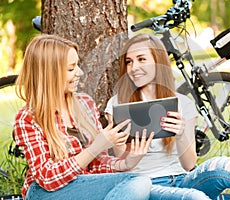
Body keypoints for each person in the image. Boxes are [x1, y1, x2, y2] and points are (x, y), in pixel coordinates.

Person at [104, 33, 230, 200]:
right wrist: (135, 153)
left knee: (223, 165)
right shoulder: (118, 104)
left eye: (141, 59)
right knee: (195, 198)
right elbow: (121, 161)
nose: (133, 67)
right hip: (146, 185)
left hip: (184, 179)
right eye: (129, 62)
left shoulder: (183, 104)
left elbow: (189, 164)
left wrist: (180, 135)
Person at [13, 34, 154, 200]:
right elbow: (47, 177)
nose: (79, 72)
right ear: (49, 74)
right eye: (71, 68)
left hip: (85, 186)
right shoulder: (29, 118)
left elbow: (95, 166)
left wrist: (127, 163)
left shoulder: (85, 104)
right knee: (138, 182)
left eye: (77, 65)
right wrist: (96, 147)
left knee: (184, 197)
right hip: (45, 193)